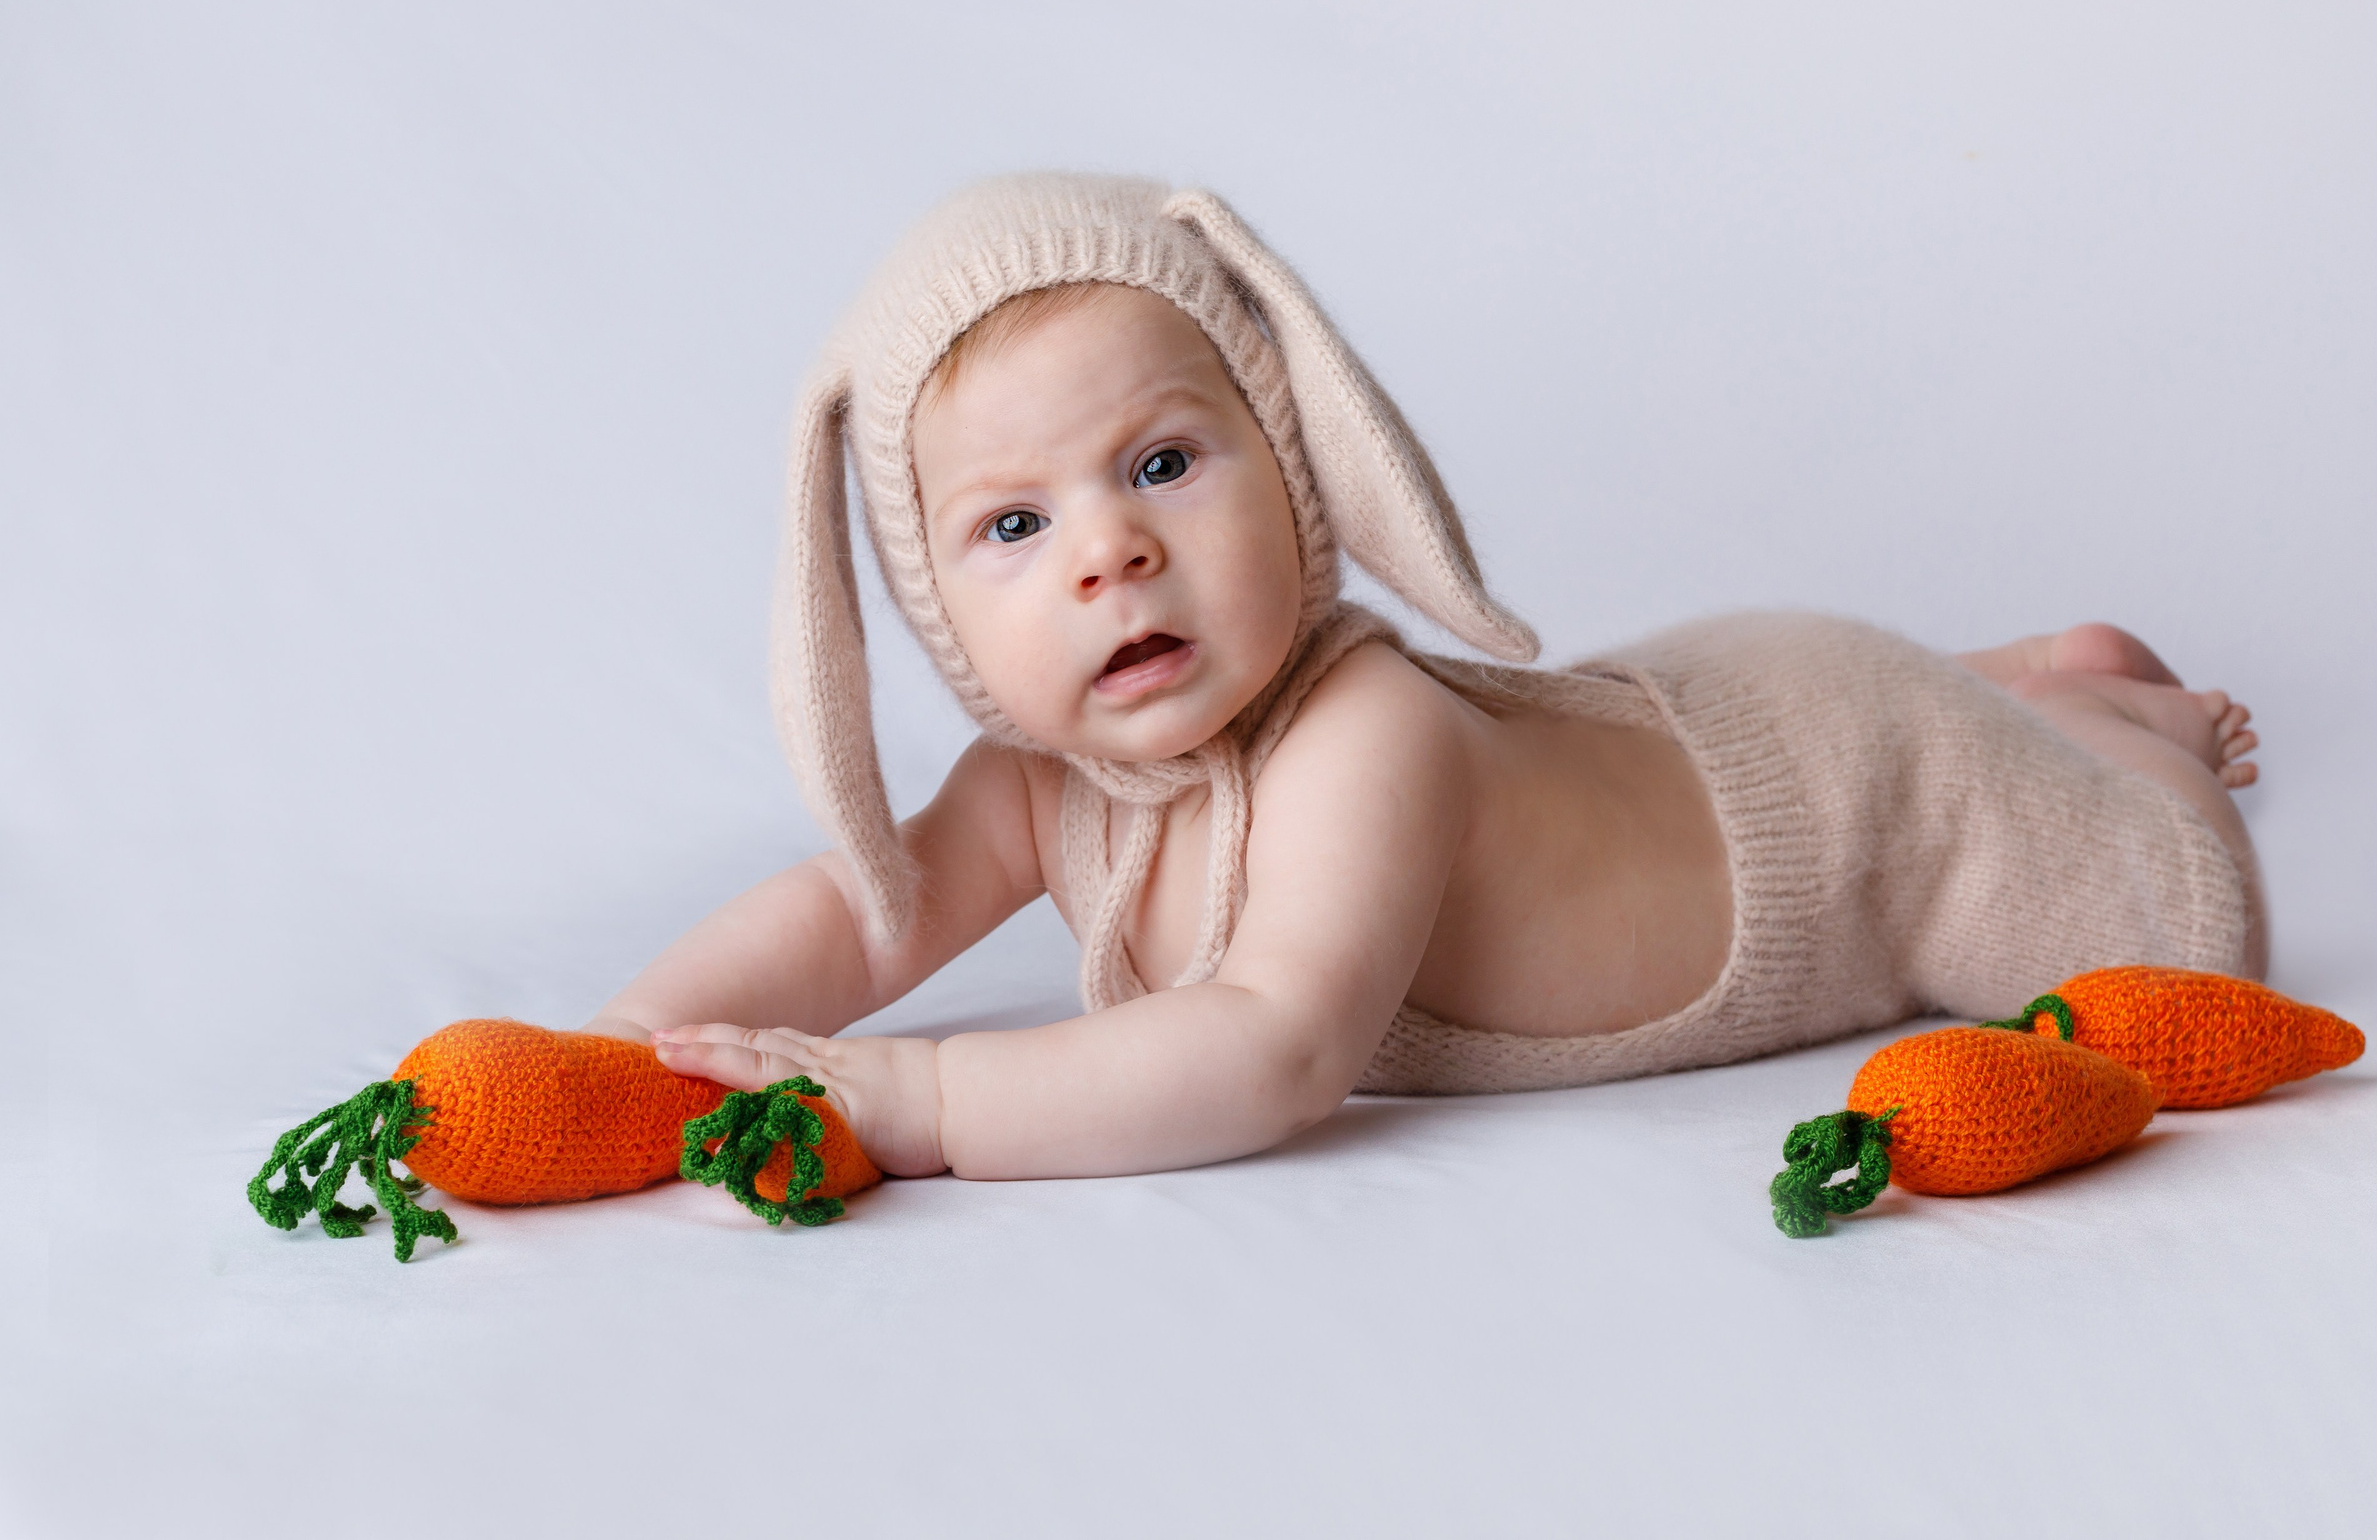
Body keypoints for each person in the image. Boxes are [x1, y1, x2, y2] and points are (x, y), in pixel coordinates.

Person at [585, 174, 2263, 1183]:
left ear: (1291, 459)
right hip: (1667, 713)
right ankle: (2018, 670)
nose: (1108, 553)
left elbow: (1272, 1046)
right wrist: (630, 1049)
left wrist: (927, 1100)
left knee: (2184, 946)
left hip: (1844, 801)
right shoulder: (1033, 790)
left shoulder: (1361, 735)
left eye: (1162, 465)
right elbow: (859, 905)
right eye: (1014, 523)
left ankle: (2112, 716)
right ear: (934, 605)